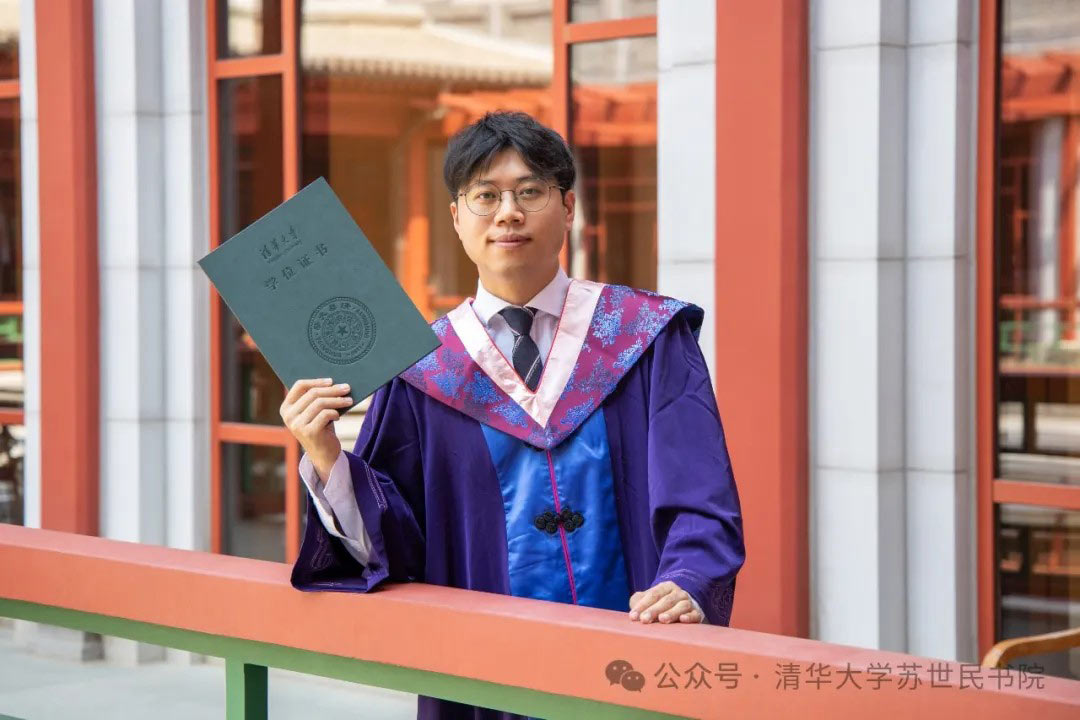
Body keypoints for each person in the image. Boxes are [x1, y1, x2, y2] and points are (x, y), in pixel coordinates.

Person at [283, 111, 744, 720]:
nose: (508, 213)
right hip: (484, 673)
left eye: (530, 192)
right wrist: (325, 456)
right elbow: (395, 542)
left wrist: (689, 580)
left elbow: (702, 493)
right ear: (457, 217)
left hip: (634, 654)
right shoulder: (421, 370)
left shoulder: (647, 338)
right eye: (485, 196)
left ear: (568, 206)